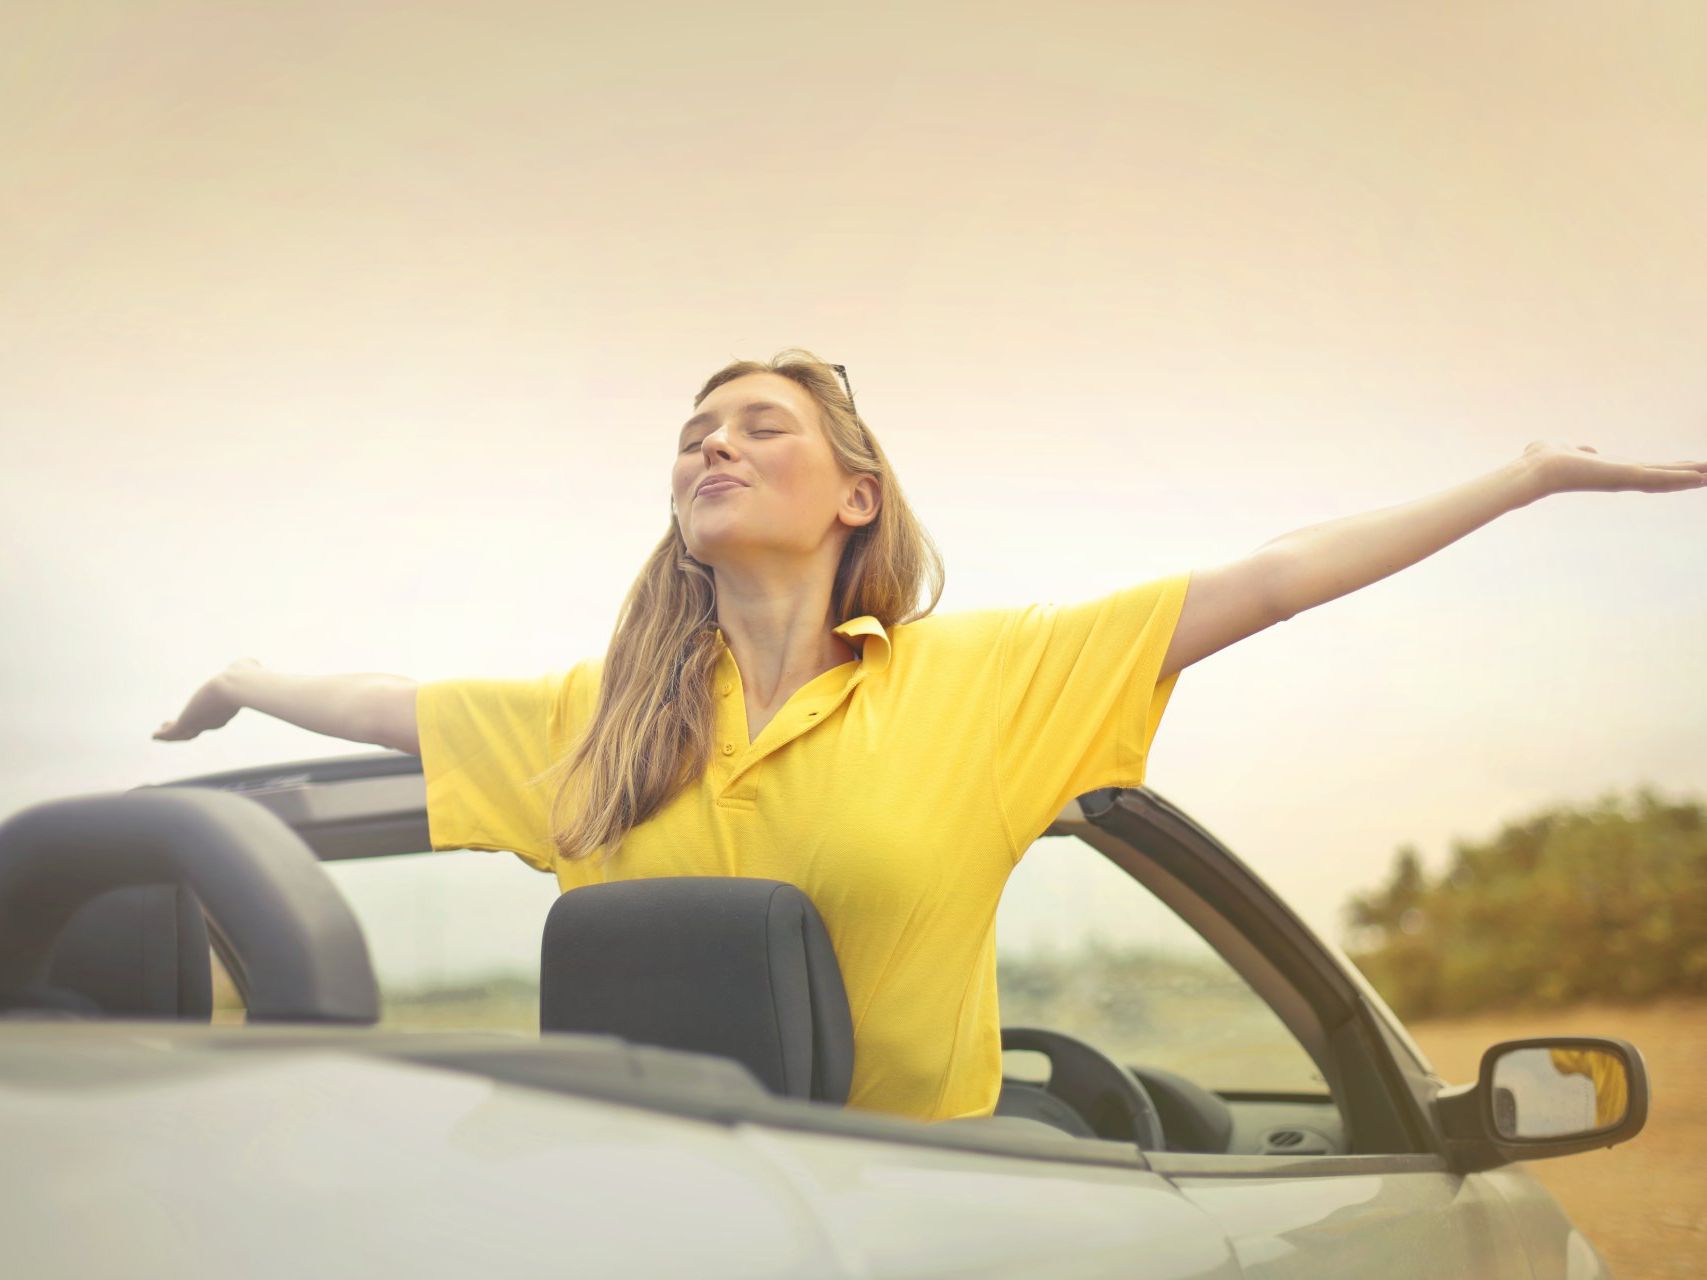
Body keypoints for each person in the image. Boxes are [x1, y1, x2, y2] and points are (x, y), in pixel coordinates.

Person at [152, 347, 1706, 1124]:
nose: (715, 440)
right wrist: (246, 670)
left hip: (926, 1222)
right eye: (697, 430)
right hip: (642, 1217)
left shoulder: (981, 682)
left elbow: (1273, 580)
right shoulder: (595, 723)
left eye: (762, 423)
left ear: (856, 497)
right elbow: (385, 714)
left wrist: (1520, 479)